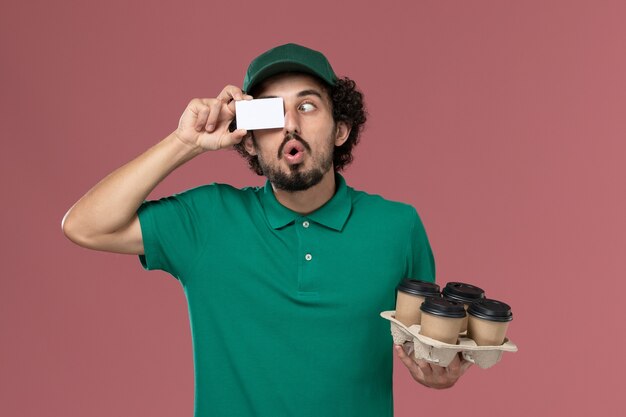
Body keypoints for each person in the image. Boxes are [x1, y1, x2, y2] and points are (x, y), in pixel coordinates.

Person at [62, 43, 471, 417]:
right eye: (272, 112)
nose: (290, 125)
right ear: (251, 141)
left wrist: (439, 370)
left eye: (307, 107)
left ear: (340, 129)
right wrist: (185, 141)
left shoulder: (398, 227)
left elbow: (427, 345)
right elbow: (85, 226)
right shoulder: (209, 218)